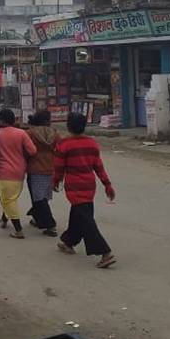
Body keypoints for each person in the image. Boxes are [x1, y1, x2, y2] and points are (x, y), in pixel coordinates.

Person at [53, 112, 117, 268]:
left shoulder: (64, 145)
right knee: (79, 213)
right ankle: (69, 241)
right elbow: (98, 166)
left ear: (68, 126)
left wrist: (55, 181)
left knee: (86, 219)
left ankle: (105, 253)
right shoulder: (92, 143)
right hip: (89, 184)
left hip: (74, 185)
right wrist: (107, 184)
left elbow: (58, 168)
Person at [0, 109, 37, 239]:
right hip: (19, 171)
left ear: (0, 120)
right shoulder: (21, 133)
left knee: (7, 199)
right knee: (10, 197)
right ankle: (4, 218)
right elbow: (32, 151)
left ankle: (18, 230)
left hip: (2, 172)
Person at [25, 110, 60, 237]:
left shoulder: (30, 134)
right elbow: (59, 150)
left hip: (35, 168)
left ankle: (50, 224)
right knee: (43, 196)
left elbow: (26, 150)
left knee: (38, 198)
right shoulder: (55, 134)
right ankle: (37, 218)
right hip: (50, 167)